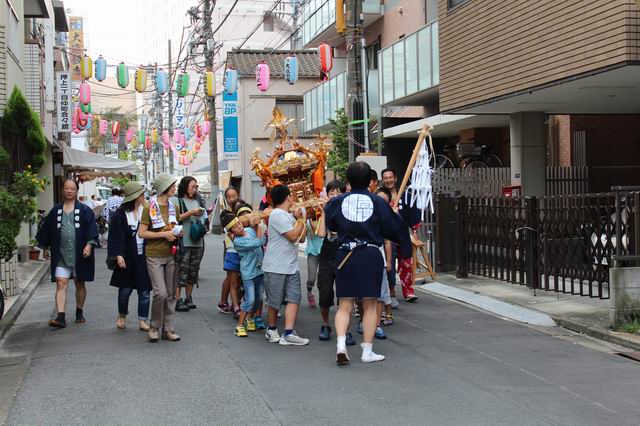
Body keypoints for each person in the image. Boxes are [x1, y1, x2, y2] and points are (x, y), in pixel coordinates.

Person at [324, 162, 404, 364]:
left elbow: (330, 224)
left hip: (345, 254)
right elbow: (392, 229)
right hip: (370, 254)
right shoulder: (378, 201)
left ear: (348, 181)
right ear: (370, 181)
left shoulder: (336, 201)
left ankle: (341, 345)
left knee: (345, 304)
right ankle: (367, 351)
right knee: (369, 305)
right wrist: (393, 214)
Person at [36, 179, 99, 328]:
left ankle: (79, 311)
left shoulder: (85, 210)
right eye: (66, 188)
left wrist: (89, 245)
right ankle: (61, 316)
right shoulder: (56, 210)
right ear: (62, 190)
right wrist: (45, 247)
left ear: (76, 191)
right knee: (61, 282)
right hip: (61, 253)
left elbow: (92, 229)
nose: (69, 191)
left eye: (72, 189)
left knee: (79, 283)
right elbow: (47, 230)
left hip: (80, 254)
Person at [262, 185, 310, 346]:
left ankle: (289, 332)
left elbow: (301, 238)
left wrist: (302, 219)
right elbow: (292, 236)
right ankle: (271, 329)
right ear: (288, 197)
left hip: (291, 266)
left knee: (294, 298)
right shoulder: (277, 215)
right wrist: (301, 219)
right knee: (274, 300)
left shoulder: (289, 216)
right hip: (275, 266)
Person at [138, 174, 181, 342]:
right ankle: (154, 326)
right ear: (165, 187)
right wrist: (164, 234)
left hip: (171, 254)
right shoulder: (149, 206)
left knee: (171, 294)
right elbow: (142, 233)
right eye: (172, 186)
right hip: (154, 254)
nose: (174, 188)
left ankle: (168, 329)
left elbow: (175, 226)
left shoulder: (174, 206)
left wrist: (177, 232)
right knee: (160, 293)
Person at [315, 180, 355, 344]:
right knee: (324, 292)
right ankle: (325, 324)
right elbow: (321, 234)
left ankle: (346, 329)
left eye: (339, 193)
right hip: (327, 257)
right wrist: (325, 212)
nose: (336, 196)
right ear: (327, 195)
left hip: (345, 257)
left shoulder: (349, 212)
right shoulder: (326, 212)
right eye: (332, 193)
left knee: (345, 295)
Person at [108, 181, 151, 331]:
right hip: (127, 255)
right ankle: (122, 314)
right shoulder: (120, 214)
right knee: (125, 290)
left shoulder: (147, 210)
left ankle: (143, 319)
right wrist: (118, 255)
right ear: (134, 196)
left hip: (144, 255)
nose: (143, 196)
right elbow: (115, 237)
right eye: (141, 194)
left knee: (144, 290)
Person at [224, 211, 267, 337]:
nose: (239, 227)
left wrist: (256, 224)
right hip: (248, 274)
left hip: (259, 271)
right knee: (250, 299)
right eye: (235, 227)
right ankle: (239, 325)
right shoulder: (238, 242)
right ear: (231, 232)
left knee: (259, 299)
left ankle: (250, 318)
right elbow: (258, 242)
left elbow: (263, 239)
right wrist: (259, 226)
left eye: (239, 223)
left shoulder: (250, 230)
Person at [175, 176, 207, 312]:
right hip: (184, 242)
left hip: (197, 242)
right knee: (181, 271)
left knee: (193, 272)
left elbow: (203, 219)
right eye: (192, 186)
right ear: (185, 186)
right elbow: (175, 218)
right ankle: (177, 299)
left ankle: (189, 297)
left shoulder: (196, 201)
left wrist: (201, 216)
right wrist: (190, 213)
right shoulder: (177, 201)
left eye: (196, 187)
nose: (195, 189)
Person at [218, 186, 242, 315]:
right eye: (228, 197)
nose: (231, 199)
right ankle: (223, 302)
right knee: (230, 277)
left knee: (238, 278)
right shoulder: (225, 213)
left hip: (241, 248)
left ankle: (235, 303)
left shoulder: (241, 208)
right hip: (230, 248)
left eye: (234, 196)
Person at [380, 168, 400, 308]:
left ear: (395, 178)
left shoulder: (402, 194)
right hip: (385, 235)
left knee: (396, 264)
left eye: (390, 177)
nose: (388, 180)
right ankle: (388, 293)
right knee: (387, 264)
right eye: (385, 178)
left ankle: (393, 291)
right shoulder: (380, 195)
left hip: (400, 233)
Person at [304, 216, 323, 308]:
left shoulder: (324, 220)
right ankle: (309, 293)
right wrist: (305, 220)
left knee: (323, 279)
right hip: (312, 252)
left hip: (325, 253)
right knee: (311, 279)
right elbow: (302, 237)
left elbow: (318, 231)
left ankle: (324, 299)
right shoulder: (308, 222)